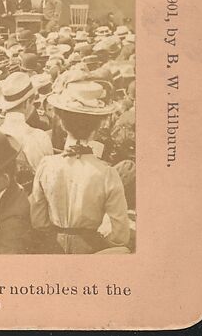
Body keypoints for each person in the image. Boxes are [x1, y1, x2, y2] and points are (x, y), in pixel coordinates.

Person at [30, 80, 131, 253]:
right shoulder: (107, 173)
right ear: (98, 126)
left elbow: (38, 220)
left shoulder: (47, 165)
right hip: (89, 250)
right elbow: (120, 235)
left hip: (52, 248)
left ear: (62, 123)